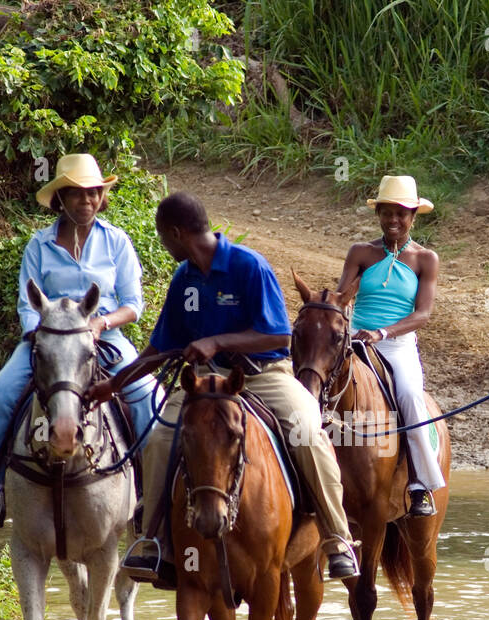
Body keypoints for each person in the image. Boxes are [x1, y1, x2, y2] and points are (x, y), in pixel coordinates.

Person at [108, 191, 360, 587]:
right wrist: (113, 384)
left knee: (308, 432)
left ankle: (337, 538)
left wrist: (218, 341)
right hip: (206, 382)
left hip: (264, 375)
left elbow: (275, 333)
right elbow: (160, 347)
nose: (164, 245)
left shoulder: (249, 266)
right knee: (158, 440)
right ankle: (153, 541)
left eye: (162, 237)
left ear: (176, 233)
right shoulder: (183, 277)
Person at [0, 154, 158, 527]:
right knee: (0, 392)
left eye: (94, 193)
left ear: (102, 197)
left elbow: (133, 305)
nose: (87, 201)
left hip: (105, 337)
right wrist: (44, 335)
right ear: (61, 199)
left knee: (148, 394)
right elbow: (28, 304)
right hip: (49, 339)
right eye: (78, 194)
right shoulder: (38, 245)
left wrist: (101, 323)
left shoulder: (116, 242)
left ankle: (150, 497)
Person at [337, 174, 446, 517]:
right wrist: (343, 312)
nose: (394, 220)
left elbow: (423, 314)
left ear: (413, 216)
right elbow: (341, 297)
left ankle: (419, 485)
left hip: (396, 346)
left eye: (401, 213)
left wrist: (382, 333)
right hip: (355, 342)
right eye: (387, 213)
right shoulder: (360, 252)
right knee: (316, 387)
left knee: (412, 397)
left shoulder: (425, 259)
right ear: (379, 215)